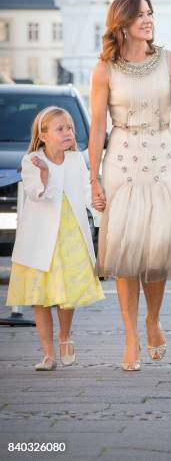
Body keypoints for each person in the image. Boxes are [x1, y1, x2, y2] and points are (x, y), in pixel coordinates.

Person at [89, 0, 171, 371]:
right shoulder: (104, 69)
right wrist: (93, 178)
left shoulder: (169, 60)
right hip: (122, 159)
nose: (148, 20)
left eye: (150, 13)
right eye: (140, 15)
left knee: (155, 250)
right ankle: (131, 336)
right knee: (127, 251)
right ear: (122, 23)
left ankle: (153, 320)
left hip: (162, 158)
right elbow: (98, 126)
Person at [6, 106, 105, 371]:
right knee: (41, 297)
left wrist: (98, 208)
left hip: (70, 233)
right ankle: (48, 354)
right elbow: (37, 194)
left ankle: (65, 336)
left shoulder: (75, 160)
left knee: (67, 292)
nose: (67, 133)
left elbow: (86, 190)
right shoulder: (32, 161)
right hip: (40, 239)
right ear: (44, 134)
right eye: (60, 129)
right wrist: (45, 174)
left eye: (70, 128)